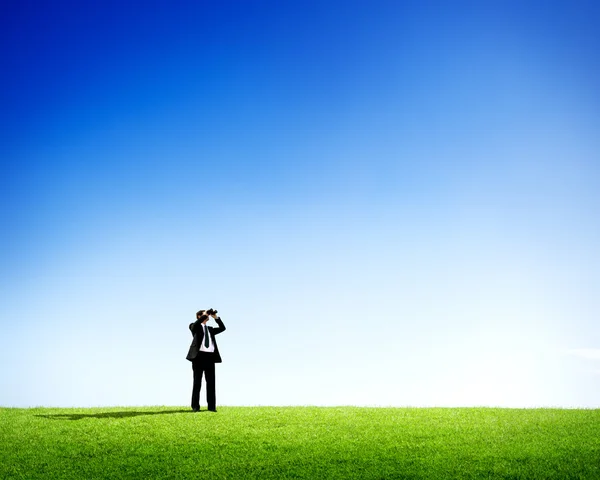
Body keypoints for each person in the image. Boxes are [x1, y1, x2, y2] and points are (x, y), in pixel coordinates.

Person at [186, 309, 226, 412]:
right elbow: (196, 324)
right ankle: (195, 407)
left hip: (210, 357)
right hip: (199, 357)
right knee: (197, 383)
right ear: (199, 316)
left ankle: (211, 407)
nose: (207, 316)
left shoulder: (210, 329)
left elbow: (223, 328)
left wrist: (215, 317)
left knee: (211, 383)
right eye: (204, 314)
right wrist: (205, 314)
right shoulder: (194, 326)